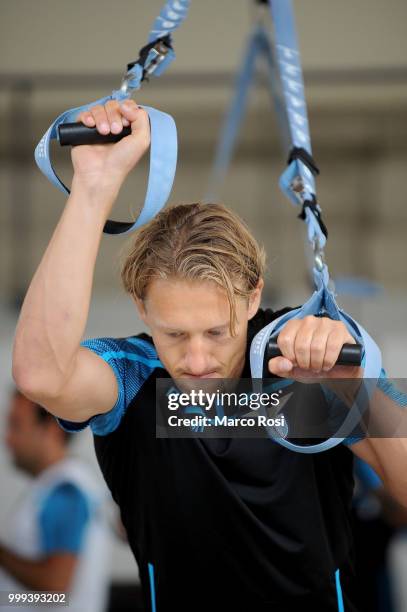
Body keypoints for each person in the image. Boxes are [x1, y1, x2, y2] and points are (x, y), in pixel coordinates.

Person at [12, 99, 407, 611]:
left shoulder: (298, 362)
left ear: (251, 296)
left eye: (216, 332)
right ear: (142, 307)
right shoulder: (135, 379)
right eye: (175, 334)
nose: (196, 358)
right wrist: (93, 186)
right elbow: (40, 374)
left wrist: (356, 390)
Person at [0, 389, 110, 612]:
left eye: (16, 425)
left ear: (50, 428)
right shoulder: (57, 487)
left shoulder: (66, 491)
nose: (8, 439)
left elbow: (56, 592)